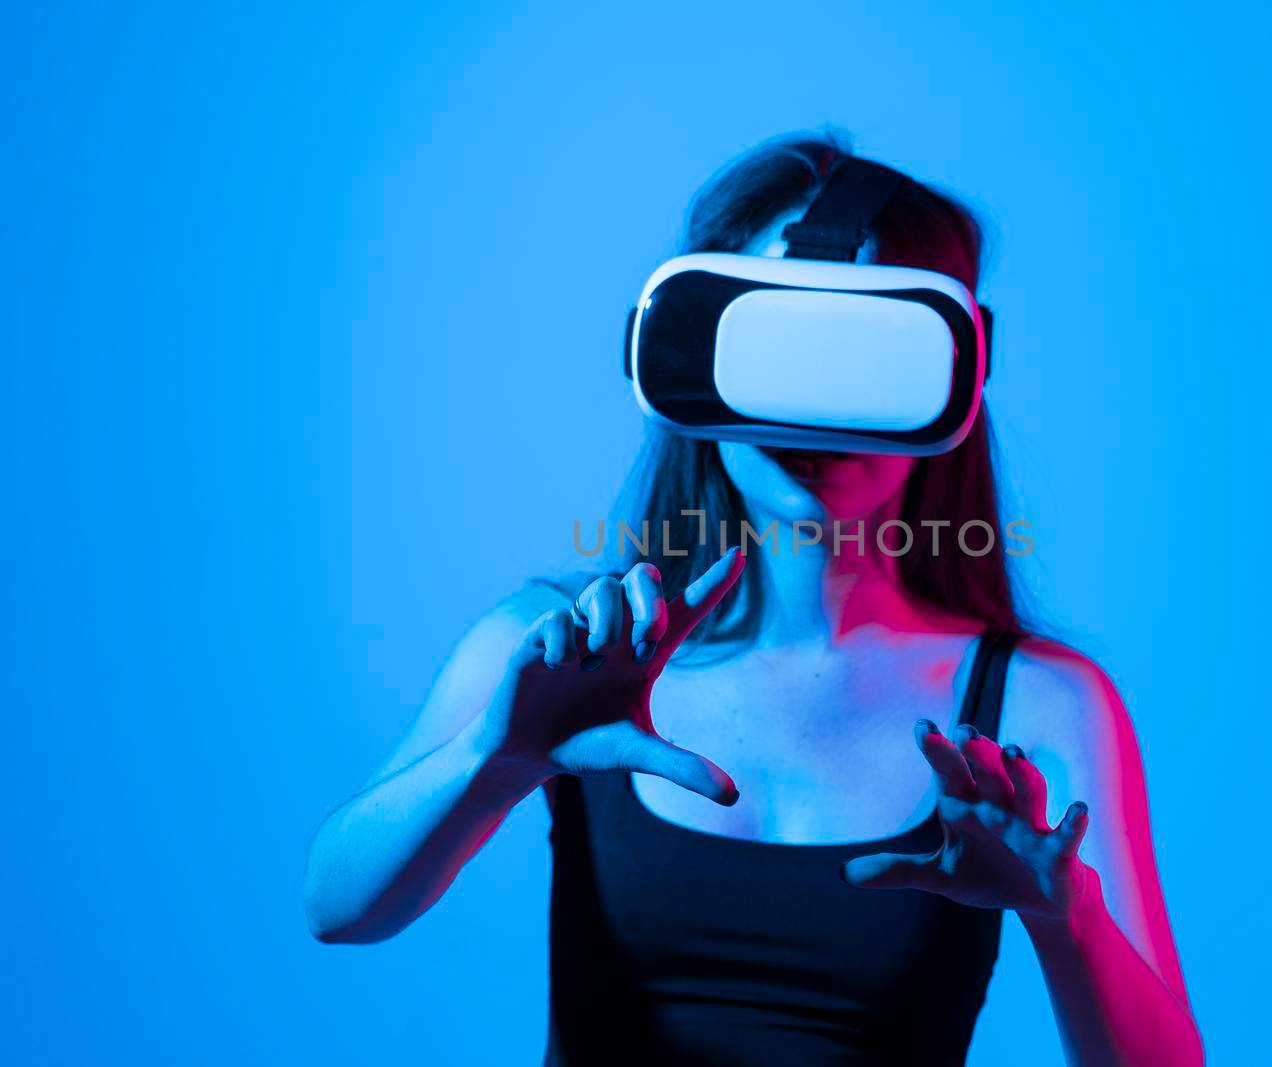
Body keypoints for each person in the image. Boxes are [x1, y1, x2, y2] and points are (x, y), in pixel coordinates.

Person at [303, 132, 1205, 1066]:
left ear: (947, 375)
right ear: (700, 354)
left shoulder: (1039, 706)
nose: (815, 410)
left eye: (863, 357)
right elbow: (337, 907)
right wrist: (497, 755)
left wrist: (1069, 920)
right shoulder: (565, 650)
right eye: (781, 346)